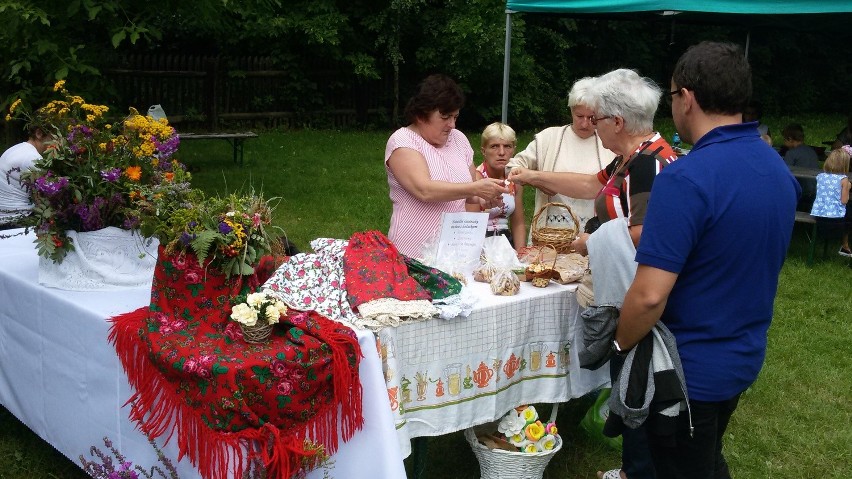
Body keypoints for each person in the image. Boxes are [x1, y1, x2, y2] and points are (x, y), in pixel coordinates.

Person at [613, 41, 800, 479]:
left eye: (674, 96)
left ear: (688, 98)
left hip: (685, 372)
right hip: (742, 354)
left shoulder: (686, 177)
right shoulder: (778, 171)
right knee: (706, 461)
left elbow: (648, 297)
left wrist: (620, 345)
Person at [511, 68, 677, 479]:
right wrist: (530, 175)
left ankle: (638, 470)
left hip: (635, 292)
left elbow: (643, 237)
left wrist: (588, 241)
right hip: (625, 287)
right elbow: (589, 184)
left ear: (616, 122)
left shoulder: (647, 165)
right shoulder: (632, 158)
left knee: (637, 379)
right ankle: (634, 466)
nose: (592, 127)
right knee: (631, 379)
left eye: (598, 118)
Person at [385, 74, 507, 257]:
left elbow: (470, 193)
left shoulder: (459, 139)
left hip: (454, 251)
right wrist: (475, 188)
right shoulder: (403, 142)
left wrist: (486, 197)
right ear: (420, 115)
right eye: (445, 117)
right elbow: (424, 190)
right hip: (413, 253)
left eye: (455, 117)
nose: (452, 125)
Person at [507, 77, 617, 234]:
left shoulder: (609, 143)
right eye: (579, 116)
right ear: (571, 110)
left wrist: (537, 177)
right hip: (550, 236)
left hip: (593, 234)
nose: (585, 124)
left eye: (591, 118)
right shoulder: (549, 138)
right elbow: (511, 167)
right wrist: (538, 182)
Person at [466, 122, 526, 251]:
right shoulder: (475, 179)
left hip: (505, 240)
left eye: (507, 146)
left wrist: (521, 254)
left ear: (514, 149)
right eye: (494, 146)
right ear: (483, 151)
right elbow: (472, 225)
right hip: (479, 241)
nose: (501, 152)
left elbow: (518, 223)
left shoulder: (515, 179)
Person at [0, 125, 53, 228]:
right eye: (53, 138)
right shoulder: (33, 158)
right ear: (39, 133)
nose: (57, 143)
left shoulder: (16, 148)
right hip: (15, 219)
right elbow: (46, 196)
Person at [810, 146, 851, 256]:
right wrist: (848, 187)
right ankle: (845, 245)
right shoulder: (844, 180)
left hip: (818, 215)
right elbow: (844, 201)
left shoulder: (820, 176)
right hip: (835, 218)